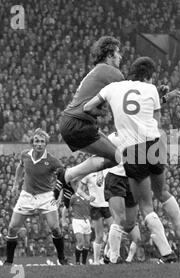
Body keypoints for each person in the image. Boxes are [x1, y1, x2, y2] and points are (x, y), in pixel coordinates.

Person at [83, 57, 180, 263]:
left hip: (133, 149)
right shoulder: (151, 89)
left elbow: (88, 107)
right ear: (147, 76)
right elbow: (157, 121)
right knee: (162, 192)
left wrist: (103, 110)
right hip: (154, 144)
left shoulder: (112, 88)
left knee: (146, 205)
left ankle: (167, 252)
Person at [55, 36, 124, 199]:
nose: (120, 57)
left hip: (71, 122)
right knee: (116, 157)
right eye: (118, 53)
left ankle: (72, 179)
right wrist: (156, 96)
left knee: (112, 154)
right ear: (109, 55)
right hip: (78, 123)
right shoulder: (110, 71)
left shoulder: (97, 71)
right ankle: (68, 175)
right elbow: (131, 93)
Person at [3, 129, 68, 265]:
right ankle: (8, 261)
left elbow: (63, 178)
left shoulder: (52, 161)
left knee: (55, 228)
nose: (39, 144)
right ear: (32, 143)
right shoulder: (24, 155)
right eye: (37, 141)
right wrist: (15, 184)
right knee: (12, 228)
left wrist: (59, 196)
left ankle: (62, 259)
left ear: (46, 144)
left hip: (46, 196)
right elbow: (20, 168)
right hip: (26, 195)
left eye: (42, 141)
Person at [103, 132, 142, 264]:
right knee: (120, 218)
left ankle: (108, 251)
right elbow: (100, 156)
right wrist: (100, 174)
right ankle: (115, 256)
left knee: (130, 224)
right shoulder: (111, 138)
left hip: (133, 180)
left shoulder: (140, 136)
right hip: (115, 178)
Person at [79, 170, 114, 265]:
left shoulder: (109, 170)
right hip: (95, 207)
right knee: (100, 235)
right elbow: (79, 189)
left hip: (108, 205)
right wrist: (87, 197)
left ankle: (107, 256)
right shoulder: (88, 172)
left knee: (114, 231)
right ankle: (96, 260)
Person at [61, 177, 93, 265]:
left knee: (87, 244)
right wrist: (64, 220)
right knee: (80, 243)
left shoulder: (88, 196)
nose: (83, 186)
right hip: (77, 221)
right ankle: (77, 262)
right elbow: (65, 208)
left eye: (84, 185)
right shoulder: (73, 197)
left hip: (87, 221)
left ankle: (83, 263)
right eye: (81, 185)